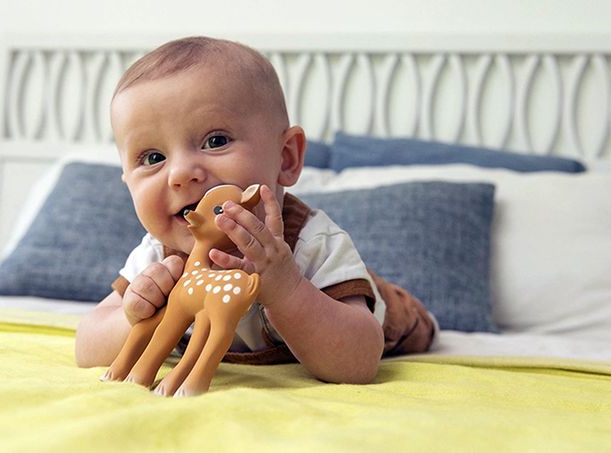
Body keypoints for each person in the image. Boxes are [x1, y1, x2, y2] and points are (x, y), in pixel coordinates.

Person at [75, 36, 436, 385]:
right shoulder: (157, 257)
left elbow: (358, 364)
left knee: (409, 318)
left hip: (378, 314)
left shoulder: (312, 244)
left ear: (286, 158)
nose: (181, 174)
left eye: (215, 141)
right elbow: (86, 347)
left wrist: (287, 289)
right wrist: (133, 315)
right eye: (153, 158)